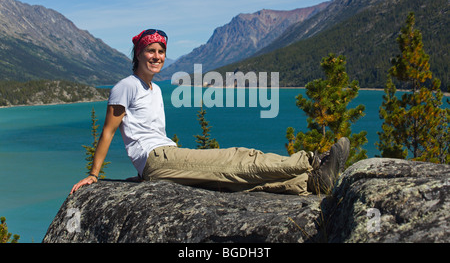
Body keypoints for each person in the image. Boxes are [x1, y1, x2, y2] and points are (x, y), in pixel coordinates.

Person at [71, 29, 350, 196]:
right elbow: (108, 131)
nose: (157, 56)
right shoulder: (125, 87)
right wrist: (94, 174)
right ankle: (312, 161)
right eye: (150, 51)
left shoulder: (154, 90)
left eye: (161, 51)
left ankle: (310, 183)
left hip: (160, 160)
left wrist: (143, 173)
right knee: (237, 159)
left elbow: (149, 132)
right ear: (138, 54)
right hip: (158, 158)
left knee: (233, 182)